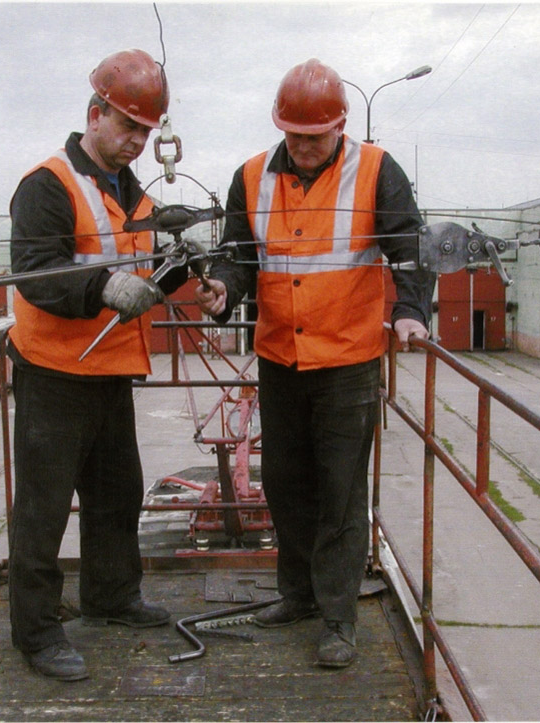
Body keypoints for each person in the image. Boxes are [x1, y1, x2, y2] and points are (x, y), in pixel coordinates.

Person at [194, 58, 435, 668]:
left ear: (341, 125)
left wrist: (411, 311)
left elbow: (411, 250)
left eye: (316, 137)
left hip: (349, 361)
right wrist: (222, 289)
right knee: (285, 483)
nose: (303, 148)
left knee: (341, 491)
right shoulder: (249, 178)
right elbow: (237, 258)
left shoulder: (378, 172)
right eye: (294, 136)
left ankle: (338, 616)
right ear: (281, 127)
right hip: (279, 356)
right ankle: (297, 594)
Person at [7, 49, 188, 681]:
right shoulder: (47, 185)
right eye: (127, 125)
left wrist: (187, 268)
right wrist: (104, 289)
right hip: (53, 374)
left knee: (116, 496)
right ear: (95, 113)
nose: (137, 140)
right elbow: (35, 276)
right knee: (43, 507)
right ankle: (36, 633)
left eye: (146, 130)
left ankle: (111, 597)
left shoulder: (131, 193)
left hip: (110, 372)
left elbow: (144, 269)